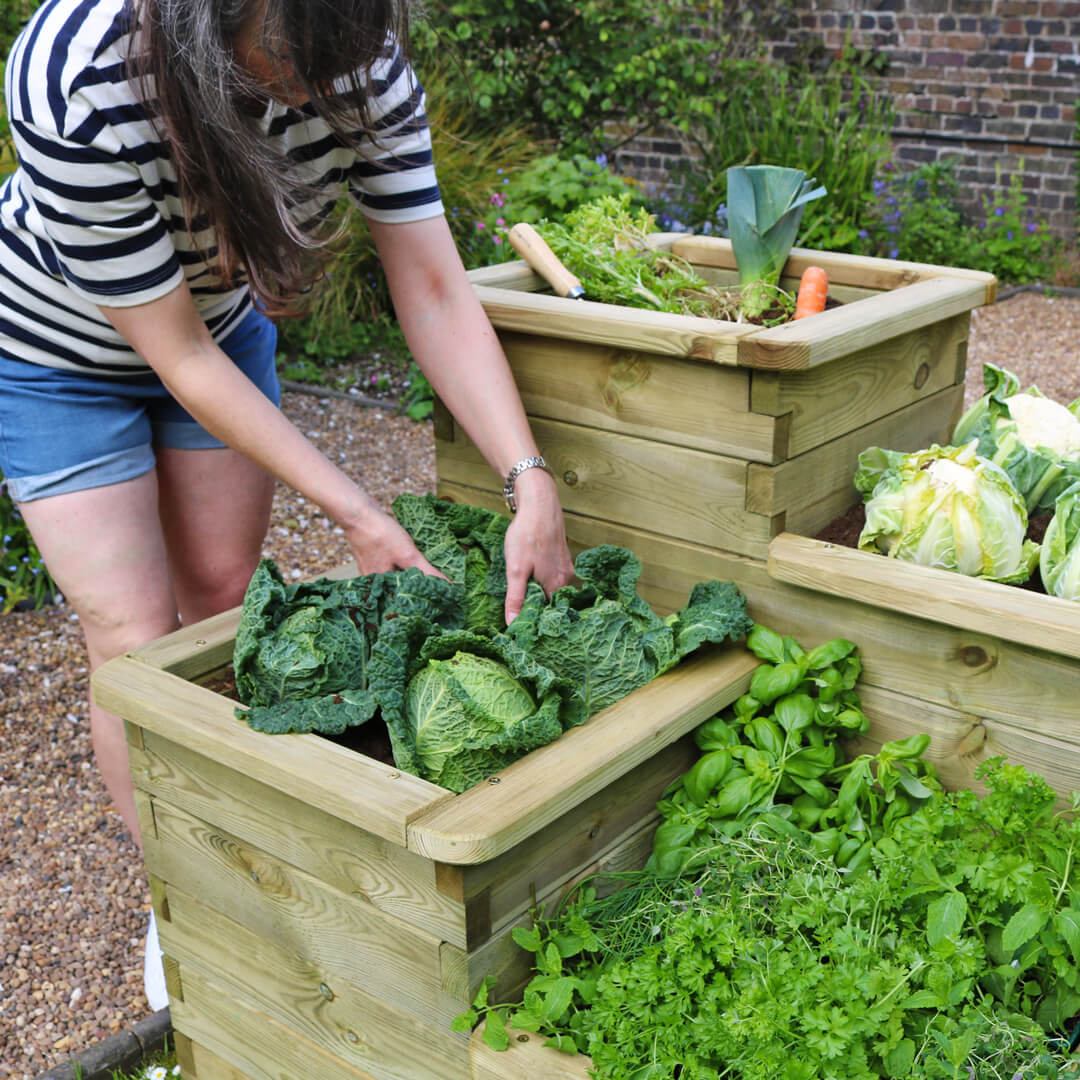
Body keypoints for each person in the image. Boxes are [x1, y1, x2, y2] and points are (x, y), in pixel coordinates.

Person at [0, 0, 574, 1008]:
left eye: (328, 72)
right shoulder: (74, 79)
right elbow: (165, 351)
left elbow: (434, 288)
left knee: (224, 596)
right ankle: (176, 892)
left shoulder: (356, 60)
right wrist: (355, 509)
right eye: (286, 67)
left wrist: (530, 474)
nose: (311, 93)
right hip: (54, 357)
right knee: (133, 638)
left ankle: (235, 839)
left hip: (216, 333)